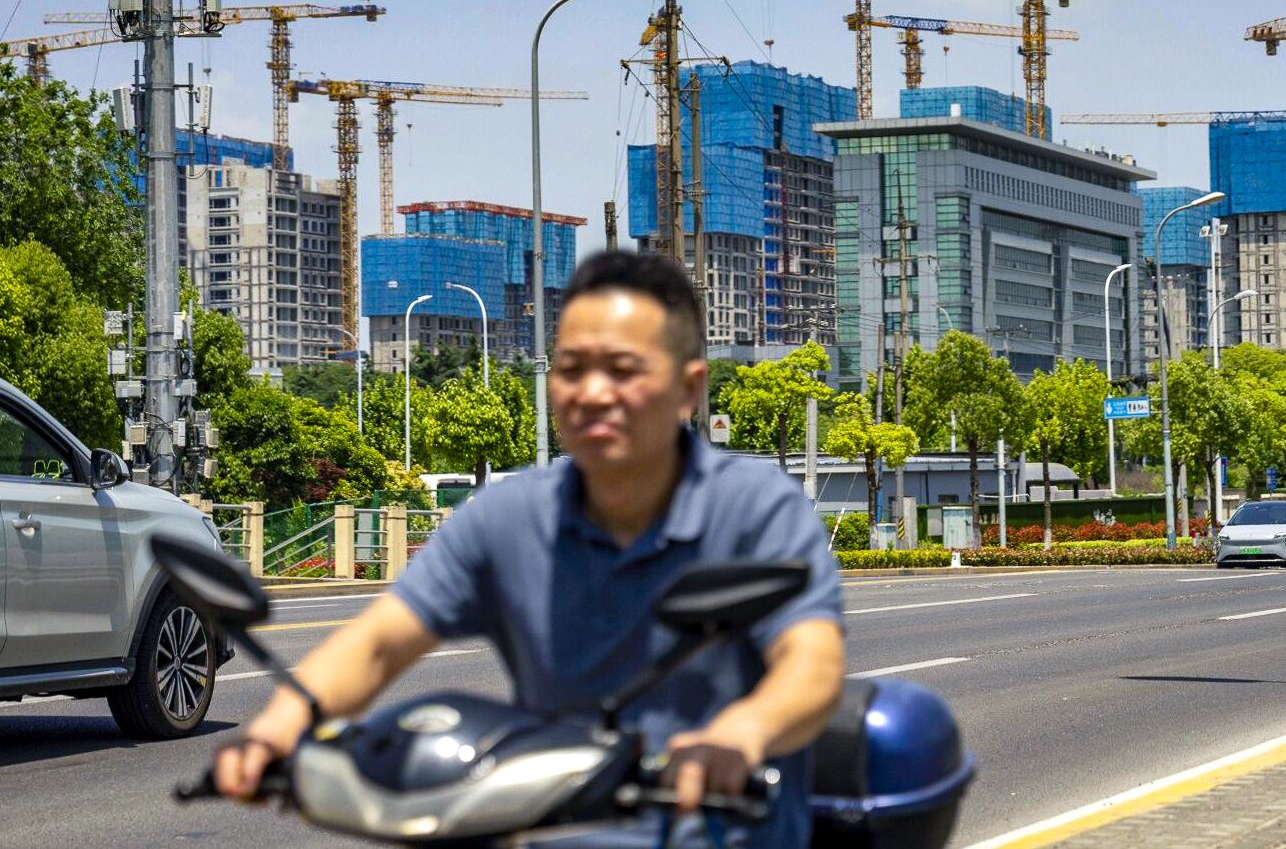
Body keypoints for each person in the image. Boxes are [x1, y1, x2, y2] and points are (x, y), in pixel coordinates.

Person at [213, 250, 846, 847]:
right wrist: (277, 730)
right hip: (541, 828)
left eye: (622, 370)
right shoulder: (509, 515)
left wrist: (743, 731)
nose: (592, 392)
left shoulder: (757, 507)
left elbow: (811, 664)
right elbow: (379, 642)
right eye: (571, 368)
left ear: (689, 388)